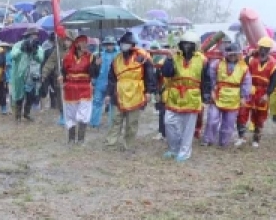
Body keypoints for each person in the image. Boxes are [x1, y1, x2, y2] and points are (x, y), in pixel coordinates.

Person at [160, 31, 209, 162]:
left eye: (190, 44)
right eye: (184, 44)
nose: (187, 46)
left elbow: (206, 79)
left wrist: (205, 97)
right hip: (175, 94)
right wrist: (169, 59)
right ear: (180, 45)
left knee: (188, 127)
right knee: (169, 122)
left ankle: (184, 152)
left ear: (195, 45)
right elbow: (166, 73)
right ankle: (173, 148)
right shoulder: (174, 57)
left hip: (192, 96)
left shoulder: (202, 60)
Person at [105, 32, 157, 152]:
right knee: (115, 119)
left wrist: (149, 91)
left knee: (132, 122)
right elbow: (112, 78)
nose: (125, 46)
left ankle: (128, 145)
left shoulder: (142, 57)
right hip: (119, 92)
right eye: (123, 44)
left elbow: (150, 75)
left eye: (127, 44)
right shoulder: (116, 59)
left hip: (136, 92)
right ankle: (110, 143)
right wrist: (108, 93)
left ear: (132, 44)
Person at [203, 42, 251, 148]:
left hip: (234, 98)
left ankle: (224, 142)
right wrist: (211, 90)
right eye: (231, 54)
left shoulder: (244, 67)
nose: (233, 56)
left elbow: (246, 83)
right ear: (226, 54)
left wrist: (243, 97)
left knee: (229, 123)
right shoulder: (217, 64)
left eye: (235, 54)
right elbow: (211, 78)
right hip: (218, 95)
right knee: (212, 119)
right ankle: (208, 140)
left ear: (239, 54)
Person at [61, 34, 101, 145]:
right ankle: (71, 138)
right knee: (71, 114)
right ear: (76, 44)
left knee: (83, 113)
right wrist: (61, 78)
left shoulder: (91, 57)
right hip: (70, 89)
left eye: (85, 43)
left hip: (84, 88)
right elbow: (63, 73)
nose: (84, 45)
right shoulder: (67, 57)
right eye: (81, 42)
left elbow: (94, 74)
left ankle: (81, 139)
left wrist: (97, 65)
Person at [239, 37, 276, 148]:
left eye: (266, 48)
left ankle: (256, 139)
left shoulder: (273, 64)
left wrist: (267, 94)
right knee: (242, 113)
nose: (263, 51)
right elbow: (241, 66)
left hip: (263, 92)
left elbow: (274, 81)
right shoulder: (251, 59)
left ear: (269, 50)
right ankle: (241, 137)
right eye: (261, 48)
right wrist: (249, 55)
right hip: (250, 89)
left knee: (260, 117)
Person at [8, 32, 45, 121]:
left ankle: (26, 113)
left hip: (32, 75)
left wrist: (35, 51)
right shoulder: (18, 45)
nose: (34, 38)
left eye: (36, 36)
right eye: (32, 36)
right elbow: (12, 56)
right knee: (19, 96)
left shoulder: (38, 47)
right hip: (19, 75)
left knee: (31, 96)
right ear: (27, 36)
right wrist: (21, 49)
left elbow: (40, 59)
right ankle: (17, 116)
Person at [90, 36, 117, 128]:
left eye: (111, 44)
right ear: (105, 45)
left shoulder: (119, 56)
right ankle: (94, 123)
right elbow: (93, 71)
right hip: (100, 83)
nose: (109, 46)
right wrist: (96, 64)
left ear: (114, 45)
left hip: (113, 83)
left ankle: (112, 124)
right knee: (97, 102)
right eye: (108, 44)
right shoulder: (98, 55)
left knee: (113, 104)